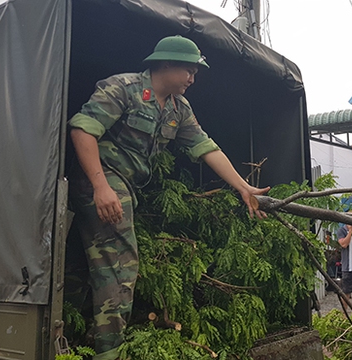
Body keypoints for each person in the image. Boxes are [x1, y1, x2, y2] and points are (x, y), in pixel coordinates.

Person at [67, 35, 269, 360]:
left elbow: (207, 148)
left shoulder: (178, 108)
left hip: (127, 187)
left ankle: (76, 337)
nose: (192, 79)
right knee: (121, 267)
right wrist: (101, 187)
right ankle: (109, 354)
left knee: (84, 263)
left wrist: (243, 187)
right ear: (165, 63)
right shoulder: (124, 87)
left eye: (195, 73)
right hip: (100, 179)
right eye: (189, 70)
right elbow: (83, 130)